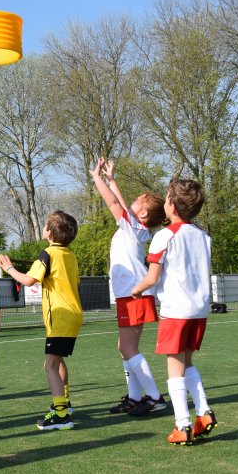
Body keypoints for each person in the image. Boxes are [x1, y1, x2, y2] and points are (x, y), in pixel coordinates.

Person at [131, 179, 216, 446]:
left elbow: (152, 277)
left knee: (174, 370)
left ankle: (183, 424)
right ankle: (203, 412)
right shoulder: (204, 236)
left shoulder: (164, 236)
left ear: (172, 205)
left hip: (176, 311)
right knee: (187, 363)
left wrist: (136, 289)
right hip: (199, 310)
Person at [89, 157, 168, 416]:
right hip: (133, 294)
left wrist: (97, 178)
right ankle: (135, 397)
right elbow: (122, 204)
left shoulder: (132, 226)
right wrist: (113, 180)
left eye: (137, 202)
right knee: (124, 349)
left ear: (142, 213)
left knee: (127, 348)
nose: (130, 204)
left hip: (134, 294)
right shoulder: (138, 227)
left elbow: (113, 203)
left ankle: (155, 397)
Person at [0, 211, 83, 431]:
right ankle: (65, 402)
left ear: (51, 232)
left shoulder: (47, 253)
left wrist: (8, 269)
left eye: (46, 225)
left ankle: (61, 414)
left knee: (50, 365)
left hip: (60, 315)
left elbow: (28, 280)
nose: (44, 227)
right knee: (59, 360)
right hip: (72, 314)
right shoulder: (70, 255)